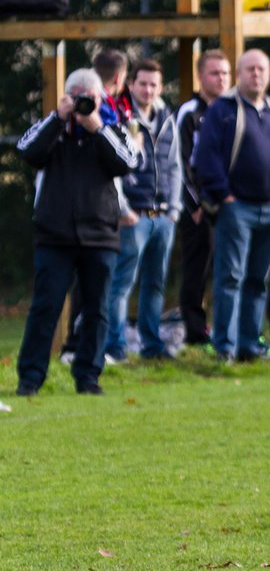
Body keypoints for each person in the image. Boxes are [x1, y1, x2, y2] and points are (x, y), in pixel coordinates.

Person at [16, 68, 138, 396]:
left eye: (91, 97)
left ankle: (88, 377)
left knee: (97, 309)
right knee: (46, 307)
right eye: (79, 96)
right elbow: (27, 151)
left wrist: (97, 128)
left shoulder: (113, 129)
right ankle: (30, 378)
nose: (85, 103)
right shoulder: (52, 128)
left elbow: (127, 162)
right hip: (54, 236)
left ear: (102, 99)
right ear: (68, 96)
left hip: (100, 236)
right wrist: (59, 117)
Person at [194, 49, 270, 363]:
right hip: (237, 207)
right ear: (240, 73)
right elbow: (205, 157)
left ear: (268, 74)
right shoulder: (223, 110)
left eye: (261, 69)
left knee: (257, 279)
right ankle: (225, 346)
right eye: (250, 69)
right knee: (231, 277)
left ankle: (249, 346)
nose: (256, 74)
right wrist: (224, 196)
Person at [103, 58, 179, 362]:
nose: (148, 89)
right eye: (142, 83)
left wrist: (173, 209)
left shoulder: (166, 116)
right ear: (131, 84)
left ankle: (152, 345)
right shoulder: (121, 116)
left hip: (162, 216)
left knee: (155, 283)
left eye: (154, 84)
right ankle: (115, 346)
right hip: (133, 215)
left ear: (160, 87)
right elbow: (114, 168)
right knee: (122, 283)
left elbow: (175, 166)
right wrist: (123, 209)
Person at [174, 49, 232, 347]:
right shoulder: (189, 112)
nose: (221, 79)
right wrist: (194, 204)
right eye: (214, 73)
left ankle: (228, 332)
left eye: (225, 73)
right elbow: (179, 162)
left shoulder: (233, 110)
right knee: (197, 270)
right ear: (201, 77)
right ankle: (195, 332)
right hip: (198, 208)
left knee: (231, 270)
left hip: (231, 204)